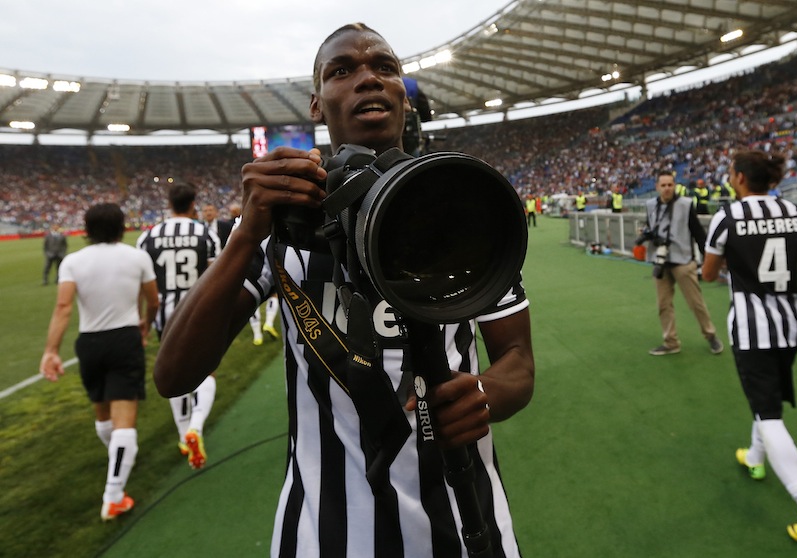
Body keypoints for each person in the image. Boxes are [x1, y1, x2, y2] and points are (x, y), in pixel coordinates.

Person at [154, 23, 534, 557]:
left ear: (403, 93)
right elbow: (175, 373)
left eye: (384, 67)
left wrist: (486, 393)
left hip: (467, 517)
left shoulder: (460, 207)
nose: (367, 79)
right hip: (325, 531)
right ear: (316, 103)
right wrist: (246, 234)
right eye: (342, 71)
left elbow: (517, 360)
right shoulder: (287, 227)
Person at [702, 150, 797, 544]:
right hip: (791, 325)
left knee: (768, 411)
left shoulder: (726, 217)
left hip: (751, 328)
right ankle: (756, 457)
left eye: (731, 172)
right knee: (767, 398)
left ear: (742, 178)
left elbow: (709, 273)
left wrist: (737, 261)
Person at [40, 203, 159, 521]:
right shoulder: (137, 256)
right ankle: (114, 495)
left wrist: (51, 350)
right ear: (122, 226)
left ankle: (117, 459)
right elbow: (153, 300)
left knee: (102, 413)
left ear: (86, 228)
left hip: (89, 342)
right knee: (125, 420)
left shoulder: (73, 261)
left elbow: (63, 306)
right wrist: (146, 323)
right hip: (124, 338)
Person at [137, 183, 222, 470]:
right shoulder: (204, 234)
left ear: (169, 204)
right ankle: (195, 426)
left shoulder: (147, 237)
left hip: (164, 314)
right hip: (196, 312)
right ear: (193, 203)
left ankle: (183, 434)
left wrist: (145, 321)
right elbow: (216, 274)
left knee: (175, 371)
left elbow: (144, 283)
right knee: (207, 370)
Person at [641, 170, 723, 356]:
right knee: (663, 305)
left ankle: (711, 336)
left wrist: (708, 258)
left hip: (683, 261)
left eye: (670, 184)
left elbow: (698, 233)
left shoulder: (686, 205)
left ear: (675, 185)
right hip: (661, 262)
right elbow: (650, 227)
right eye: (663, 185)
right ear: (657, 187)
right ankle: (670, 342)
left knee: (696, 303)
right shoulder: (650, 205)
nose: (667, 188)